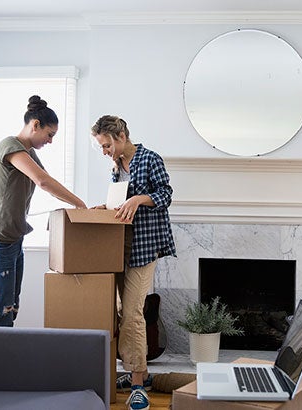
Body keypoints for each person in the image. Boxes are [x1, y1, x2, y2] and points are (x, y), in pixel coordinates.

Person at [0, 95, 86, 327]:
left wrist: (78, 205)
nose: (51, 141)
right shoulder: (10, 146)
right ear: (35, 125)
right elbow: (42, 181)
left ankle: (6, 360)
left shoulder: (28, 153)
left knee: (11, 310)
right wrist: (79, 203)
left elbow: (48, 183)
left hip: (13, 242)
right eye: (50, 134)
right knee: (0, 315)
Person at [91, 115, 176, 410]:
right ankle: (137, 372)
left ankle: (138, 385)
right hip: (118, 247)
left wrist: (138, 199)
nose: (104, 151)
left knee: (132, 314)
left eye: (106, 145)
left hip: (144, 246)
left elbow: (166, 195)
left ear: (122, 136)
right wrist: (107, 207)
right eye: (101, 147)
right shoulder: (116, 167)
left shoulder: (150, 159)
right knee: (117, 310)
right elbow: (120, 202)